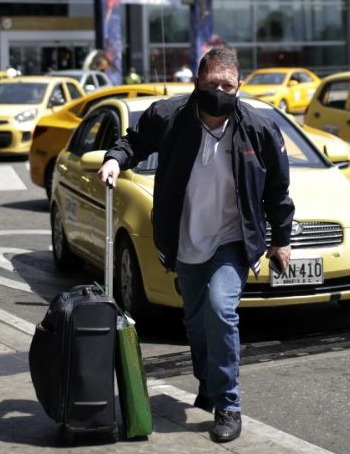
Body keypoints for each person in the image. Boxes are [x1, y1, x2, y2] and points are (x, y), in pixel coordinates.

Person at [97, 45, 292, 444]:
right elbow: (133, 141)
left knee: (221, 311)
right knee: (196, 323)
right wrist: (115, 159)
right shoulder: (169, 117)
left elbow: (277, 189)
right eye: (211, 82)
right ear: (197, 82)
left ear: (238, 86)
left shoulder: (257, 129)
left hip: (232, 239)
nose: (219, 89)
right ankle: (208, 380)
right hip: (185, 238)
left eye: (227, 84)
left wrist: (281, 240)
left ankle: (228, 404)